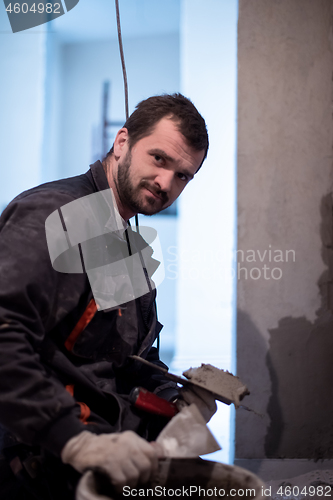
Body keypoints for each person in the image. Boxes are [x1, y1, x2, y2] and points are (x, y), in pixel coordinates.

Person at [0, 93, 216, 499]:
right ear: (122, 143)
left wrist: (175, 401)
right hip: (41, 469)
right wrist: (74, 441)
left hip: (113, 461)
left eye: (183, 175)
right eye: (159, 158)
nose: (166, 183)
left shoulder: (120, 240)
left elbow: (127, 358)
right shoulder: (59, 216)